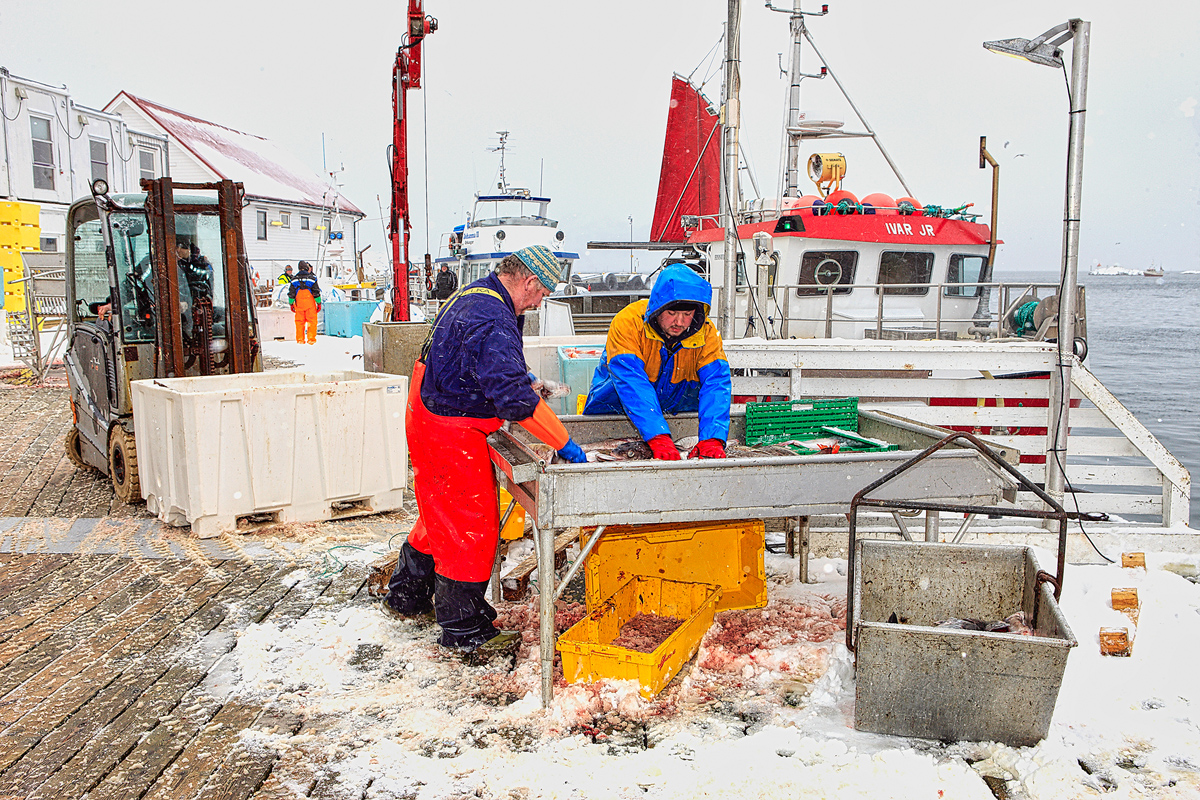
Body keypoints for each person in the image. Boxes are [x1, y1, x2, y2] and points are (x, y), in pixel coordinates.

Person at [382, 244, 587, 655]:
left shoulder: (478, 294)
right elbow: (515, 400)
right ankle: (465, 630)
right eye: (542, 293)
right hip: (450, 426)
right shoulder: (493, 317)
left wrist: (524, 376)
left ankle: (407, 595)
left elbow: (488, 362)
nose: (540, 301)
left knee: (439, 513)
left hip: (428, 413)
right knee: (469, 525)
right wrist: (565, 444)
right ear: (529, 281)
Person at [582, 264, 732, 460]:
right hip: (612, 412)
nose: (679, 322)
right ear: (658, 307)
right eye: (672, 314)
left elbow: (716, 383)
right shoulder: (628, 322)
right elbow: (631, 381)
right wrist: (657, 435)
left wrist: (712, 438)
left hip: (675, 415)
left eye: (687, 314)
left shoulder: (706, 333)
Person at [288, 260, 322, 344]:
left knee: (299, 323)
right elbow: (316, 292)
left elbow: (291, 293)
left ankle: (300, 340)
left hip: (299, 305)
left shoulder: (294, 280)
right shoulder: (312, 279)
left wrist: (291, 304)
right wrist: (318, 303)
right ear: (307, 268)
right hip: (310, 305)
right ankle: (311, 340)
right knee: (312, 322)